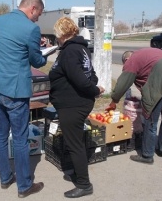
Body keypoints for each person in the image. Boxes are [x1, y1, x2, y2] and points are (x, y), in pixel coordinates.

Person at [0, 0, 47, 198]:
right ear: (33, 8)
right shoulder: (31, 28)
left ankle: (5, 178)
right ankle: (25, 186)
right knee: (20, 139)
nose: (38, 18)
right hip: (14, 92)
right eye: (39, 14)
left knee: (0, 135)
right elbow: (36, 61)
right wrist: (44, 53)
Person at [49, 17, 104, 198]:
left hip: (73, 105)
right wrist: (93, 87)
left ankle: (84, 184)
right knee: (75, 142)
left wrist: (94, 90)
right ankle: (77, 172)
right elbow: (92, 75)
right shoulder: (80, 48)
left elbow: (82, 80)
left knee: (75, 145)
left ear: (61, 34)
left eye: (56, 35)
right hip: (75, 103)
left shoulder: (70, 51)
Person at [106, 48, 162, 164]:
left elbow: (123, 83)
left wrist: (114, 101)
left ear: (126, 59)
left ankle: (147, 155)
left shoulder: (132, 60)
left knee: (150, 119)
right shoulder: (145, 55)